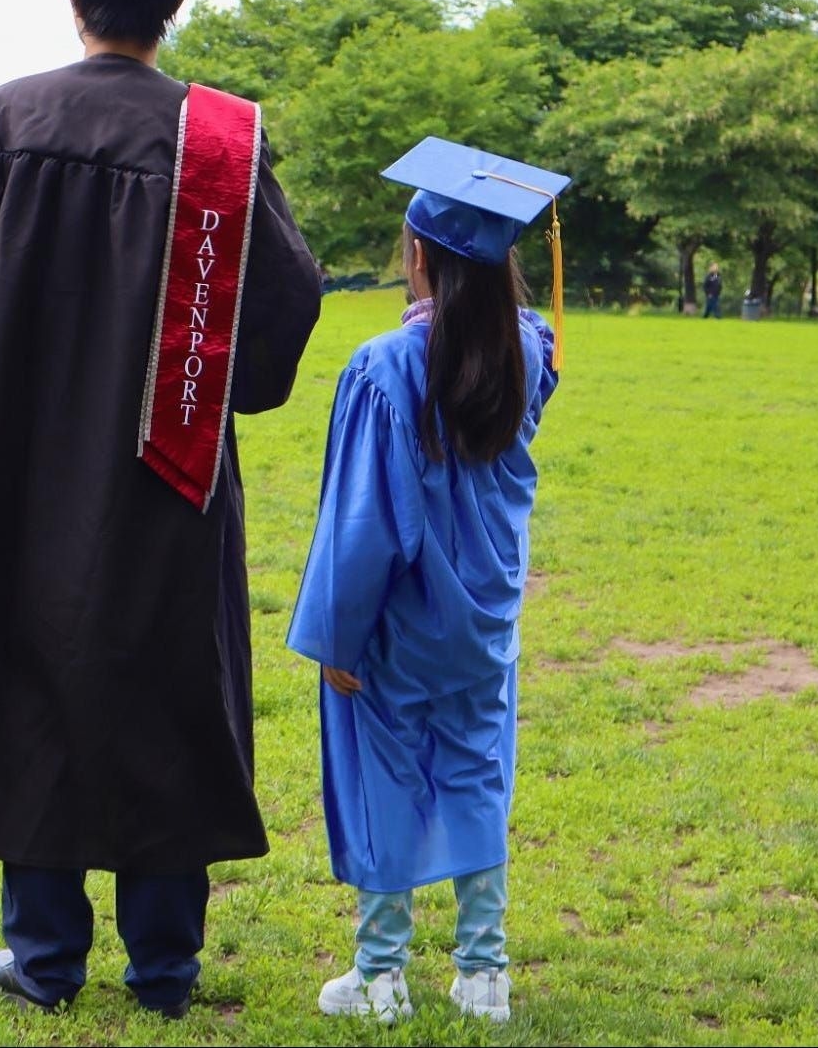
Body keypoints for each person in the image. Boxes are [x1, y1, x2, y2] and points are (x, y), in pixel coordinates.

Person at [0, 0, 322, 1017]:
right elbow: (287, 304)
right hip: (165, 476)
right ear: (175, 2)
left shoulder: (4, 119)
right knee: (165, 693)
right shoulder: (217, 140)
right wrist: (228, 385)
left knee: (26, 683)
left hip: (24, 477)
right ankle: (165, 966)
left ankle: (42, 959)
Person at [287, 138, 568, 1027]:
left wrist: (335, 635)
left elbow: (363, 524)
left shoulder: (384, 366)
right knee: (478, 771)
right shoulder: (525, 348)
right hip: (486, 616)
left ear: (418, 258)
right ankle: (483, 972)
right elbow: (532, 362)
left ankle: (378, 973)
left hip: (400, 624)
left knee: (387, 774)